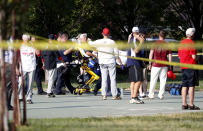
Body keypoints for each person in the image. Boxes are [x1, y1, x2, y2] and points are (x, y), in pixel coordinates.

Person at [89, 28, 123, 100]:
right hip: (111, 61)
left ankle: (104, 95)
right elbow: (116, 54)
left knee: (104, 79)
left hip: (102, 62)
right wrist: (119, 61)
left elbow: (90, 43)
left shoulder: (99, 42)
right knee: (113, 79)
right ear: (109, 34)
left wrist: (88, 40)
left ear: (102, 34)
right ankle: (114, 95)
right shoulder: (112, 42)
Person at [178, 28, 200, 110]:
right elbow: (194, 57)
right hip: (191, 66)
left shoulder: (182, 42)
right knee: (191, 86)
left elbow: (179, 55)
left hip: (183, 66)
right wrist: (197, 58)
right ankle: (191, 104)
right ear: (192, 34)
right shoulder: (191, 43)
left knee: (184, 85)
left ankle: (184, 104)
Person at [148, 30, 172, 99]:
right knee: (163, 80)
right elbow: (170, 56)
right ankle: (161, 95)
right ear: (165, 36)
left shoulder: (155, 43)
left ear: (159, 35)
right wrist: (170, 65)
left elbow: (151, 54)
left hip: (155, 64)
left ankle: (151, 94)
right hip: (164, 64)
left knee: (153, 80)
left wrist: (150, 63)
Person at [18, 34, 40, 104]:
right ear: (23, 39)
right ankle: (20, 96)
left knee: (30, 84)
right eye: (25, 38)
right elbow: (18, 57)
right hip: (23, 67)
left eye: (27, 38)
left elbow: (38, 54)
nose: (26, 39)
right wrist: (18, 67)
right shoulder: (20, 45)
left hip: (32, 67)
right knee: (21, 83)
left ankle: (28, 98)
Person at [127, 26, 145, 104]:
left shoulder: (131, 39)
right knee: (139, 80)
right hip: (134, 61)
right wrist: (141, 41)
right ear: (137, 32)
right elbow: (136, 51)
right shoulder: (135, 40)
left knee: (133, 81)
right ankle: (134, 97)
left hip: (132, 61)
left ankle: (132, 97)